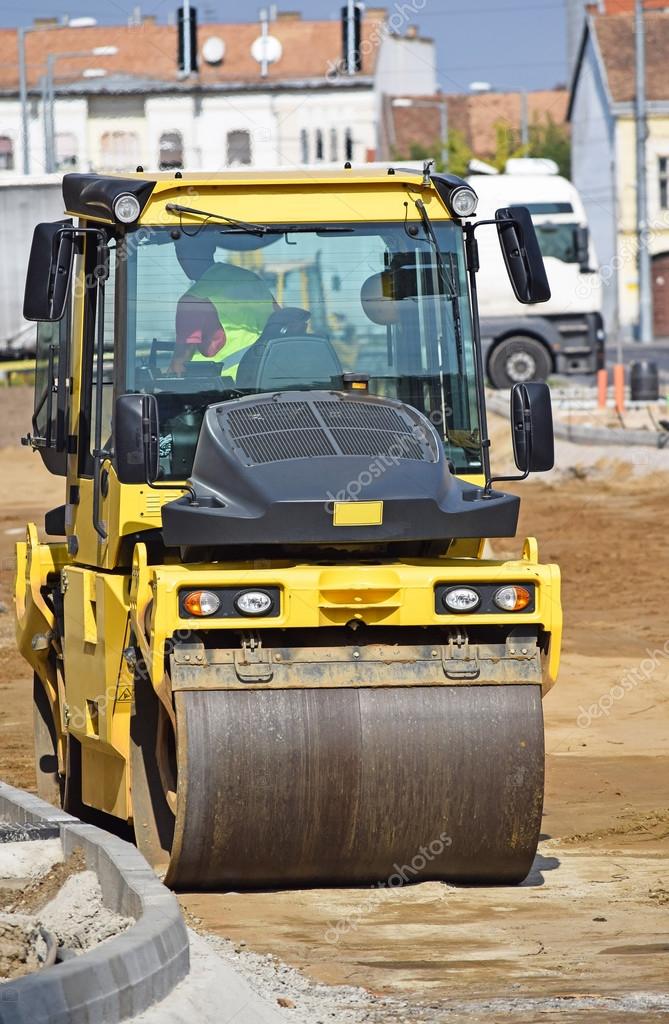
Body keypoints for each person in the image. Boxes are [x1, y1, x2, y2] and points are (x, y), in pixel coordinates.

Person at [170, 232, 277, 377]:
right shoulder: (252, 280)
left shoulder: (193, 300)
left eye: (179, 251)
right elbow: (282, 324)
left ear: (180, 255)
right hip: (263, 381)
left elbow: (178, 366)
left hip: (216, 387)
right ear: (212, 249)